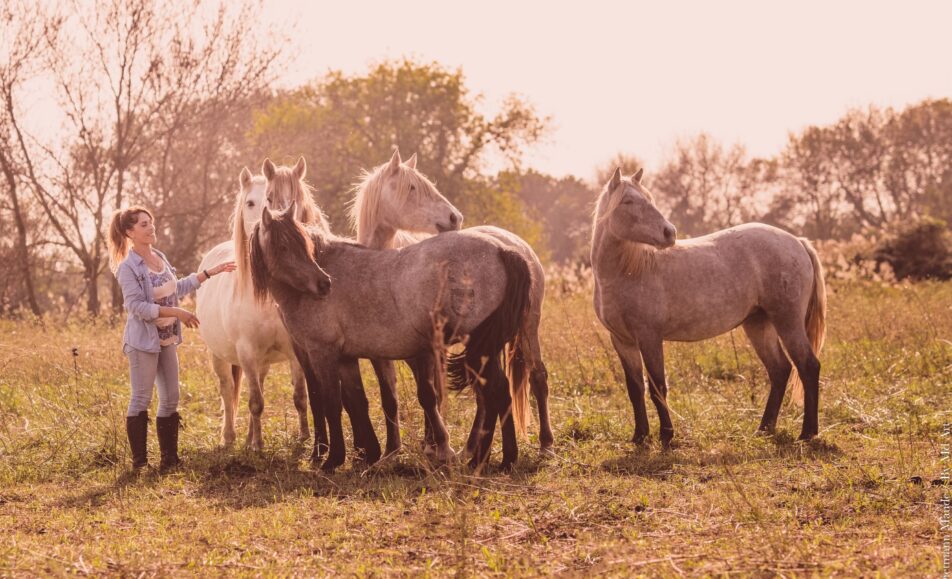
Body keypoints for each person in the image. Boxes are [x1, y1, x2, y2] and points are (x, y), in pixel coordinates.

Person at [108, 206, 236, 471]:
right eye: (144, 224)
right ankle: (140, 463)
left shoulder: (159, 257)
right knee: (141, 398)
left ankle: (169, 459)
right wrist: (177, 312)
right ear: (130, 232)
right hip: (143, 342)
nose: (151, 227)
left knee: (171, 397)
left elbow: (175, 288)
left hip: (167, 339)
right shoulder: (128, 267)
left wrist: (211, 272)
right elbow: (138, 307)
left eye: (151, 222)